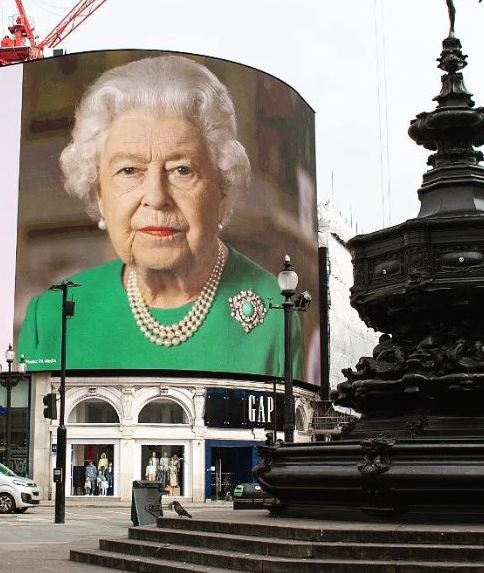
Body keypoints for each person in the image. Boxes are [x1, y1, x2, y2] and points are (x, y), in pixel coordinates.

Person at [17, 55, 303, 376]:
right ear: (99, 194)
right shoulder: (51, 315)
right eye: (129, 170)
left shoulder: (278, 312)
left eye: (182, 170)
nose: (155, 197)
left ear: (221, 189)